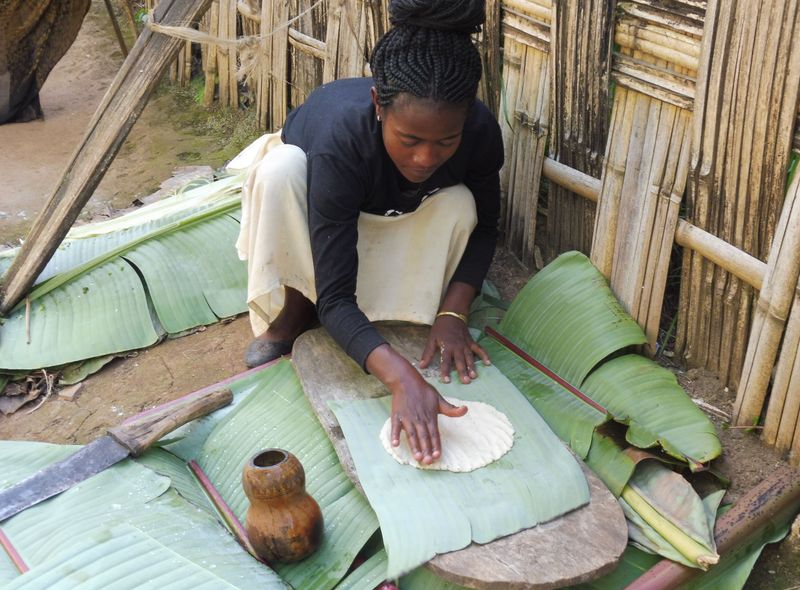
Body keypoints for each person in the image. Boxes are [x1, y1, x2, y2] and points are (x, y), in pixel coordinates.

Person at [235, 0, 504, 466]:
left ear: (466, 120)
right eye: (411, 139)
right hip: (312, 202)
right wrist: (399, 378)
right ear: (379, 106)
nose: (425, 158)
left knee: (462, 202)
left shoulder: (479, 130)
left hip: (397, 209)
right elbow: (337, 296)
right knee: (282, 172)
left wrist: (454, 313)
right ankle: (296, 308)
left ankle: (401, 311)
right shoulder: (342, 143)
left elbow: (487, 228)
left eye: (446, 141)